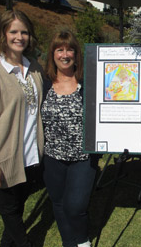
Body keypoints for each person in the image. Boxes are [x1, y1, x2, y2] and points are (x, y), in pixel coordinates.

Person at [0, 10, 44, 247]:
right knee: (10, 212)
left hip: (30, 156)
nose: (19, 36)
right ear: (3, 35)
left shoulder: (33, 67)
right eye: (13, 31)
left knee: (17, 208)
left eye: (24, 31)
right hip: (4, 157)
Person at [42, 30, 98, 247]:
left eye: (69, 49)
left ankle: (82, 242)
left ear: (76, 54)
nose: (65, 54)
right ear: (53, 53)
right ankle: (69, 242)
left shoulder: (87, 82)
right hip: (52, 156)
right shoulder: (45, 83)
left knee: (75, 206)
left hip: (82, 157)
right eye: (60, 49)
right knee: (58, 203)